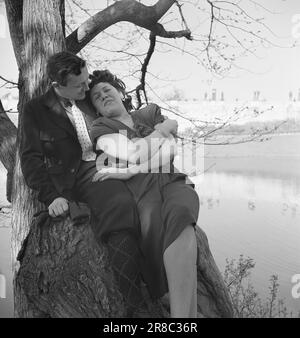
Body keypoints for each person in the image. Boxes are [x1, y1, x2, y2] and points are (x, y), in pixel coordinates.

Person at [20, 51, 152, 315]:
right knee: (120, 204)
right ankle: (134, 306)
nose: (87, 86)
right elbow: (30, 158)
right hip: (74, 177)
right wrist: (51, 197)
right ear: (58, 86)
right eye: (79, 85)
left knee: (143, 203)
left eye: (86, 79)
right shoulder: (36, 110)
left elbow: (119, 113)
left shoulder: (88, 93)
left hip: (113, 161)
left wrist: (152, 127)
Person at [89, 70, 200, 318]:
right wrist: (162, 131)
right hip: (141, 192)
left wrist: (135, 167)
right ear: (96, 109)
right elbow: (133, 152)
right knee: (155, 227)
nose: (103, 95)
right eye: (96, 97)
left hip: (173, 181)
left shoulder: (148, 112)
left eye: (107, 90)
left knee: (181, 213)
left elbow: (170, 152)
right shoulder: (100, 127)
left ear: (120, 93)